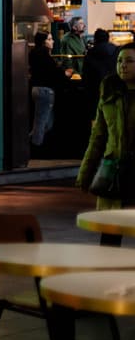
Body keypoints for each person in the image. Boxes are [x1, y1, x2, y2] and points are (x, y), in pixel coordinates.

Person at [76, 43, 135, 245]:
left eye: (129, 61)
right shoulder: (109, 92)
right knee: (110, 234)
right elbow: (98, 137)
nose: (123, 65)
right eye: (120, 61)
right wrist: (85, 173)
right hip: (114, 171)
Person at [29, 31, 71, 152]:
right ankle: (34, 147)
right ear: (43, 42)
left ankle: (30, 142)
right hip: (45, 91)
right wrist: (65, 73)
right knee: (42, 122)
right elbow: (53, 72)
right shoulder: (44, 55)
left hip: (37, 89)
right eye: (49, 39)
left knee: (45, 122)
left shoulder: (34, 54)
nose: (52, 41)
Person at [83, 28, 118, 110]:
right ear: (108, 38)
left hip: (95, 90)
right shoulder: (116, 50)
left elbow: (86, 74)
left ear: (95, 39)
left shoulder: (90, 53)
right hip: (113, 87)